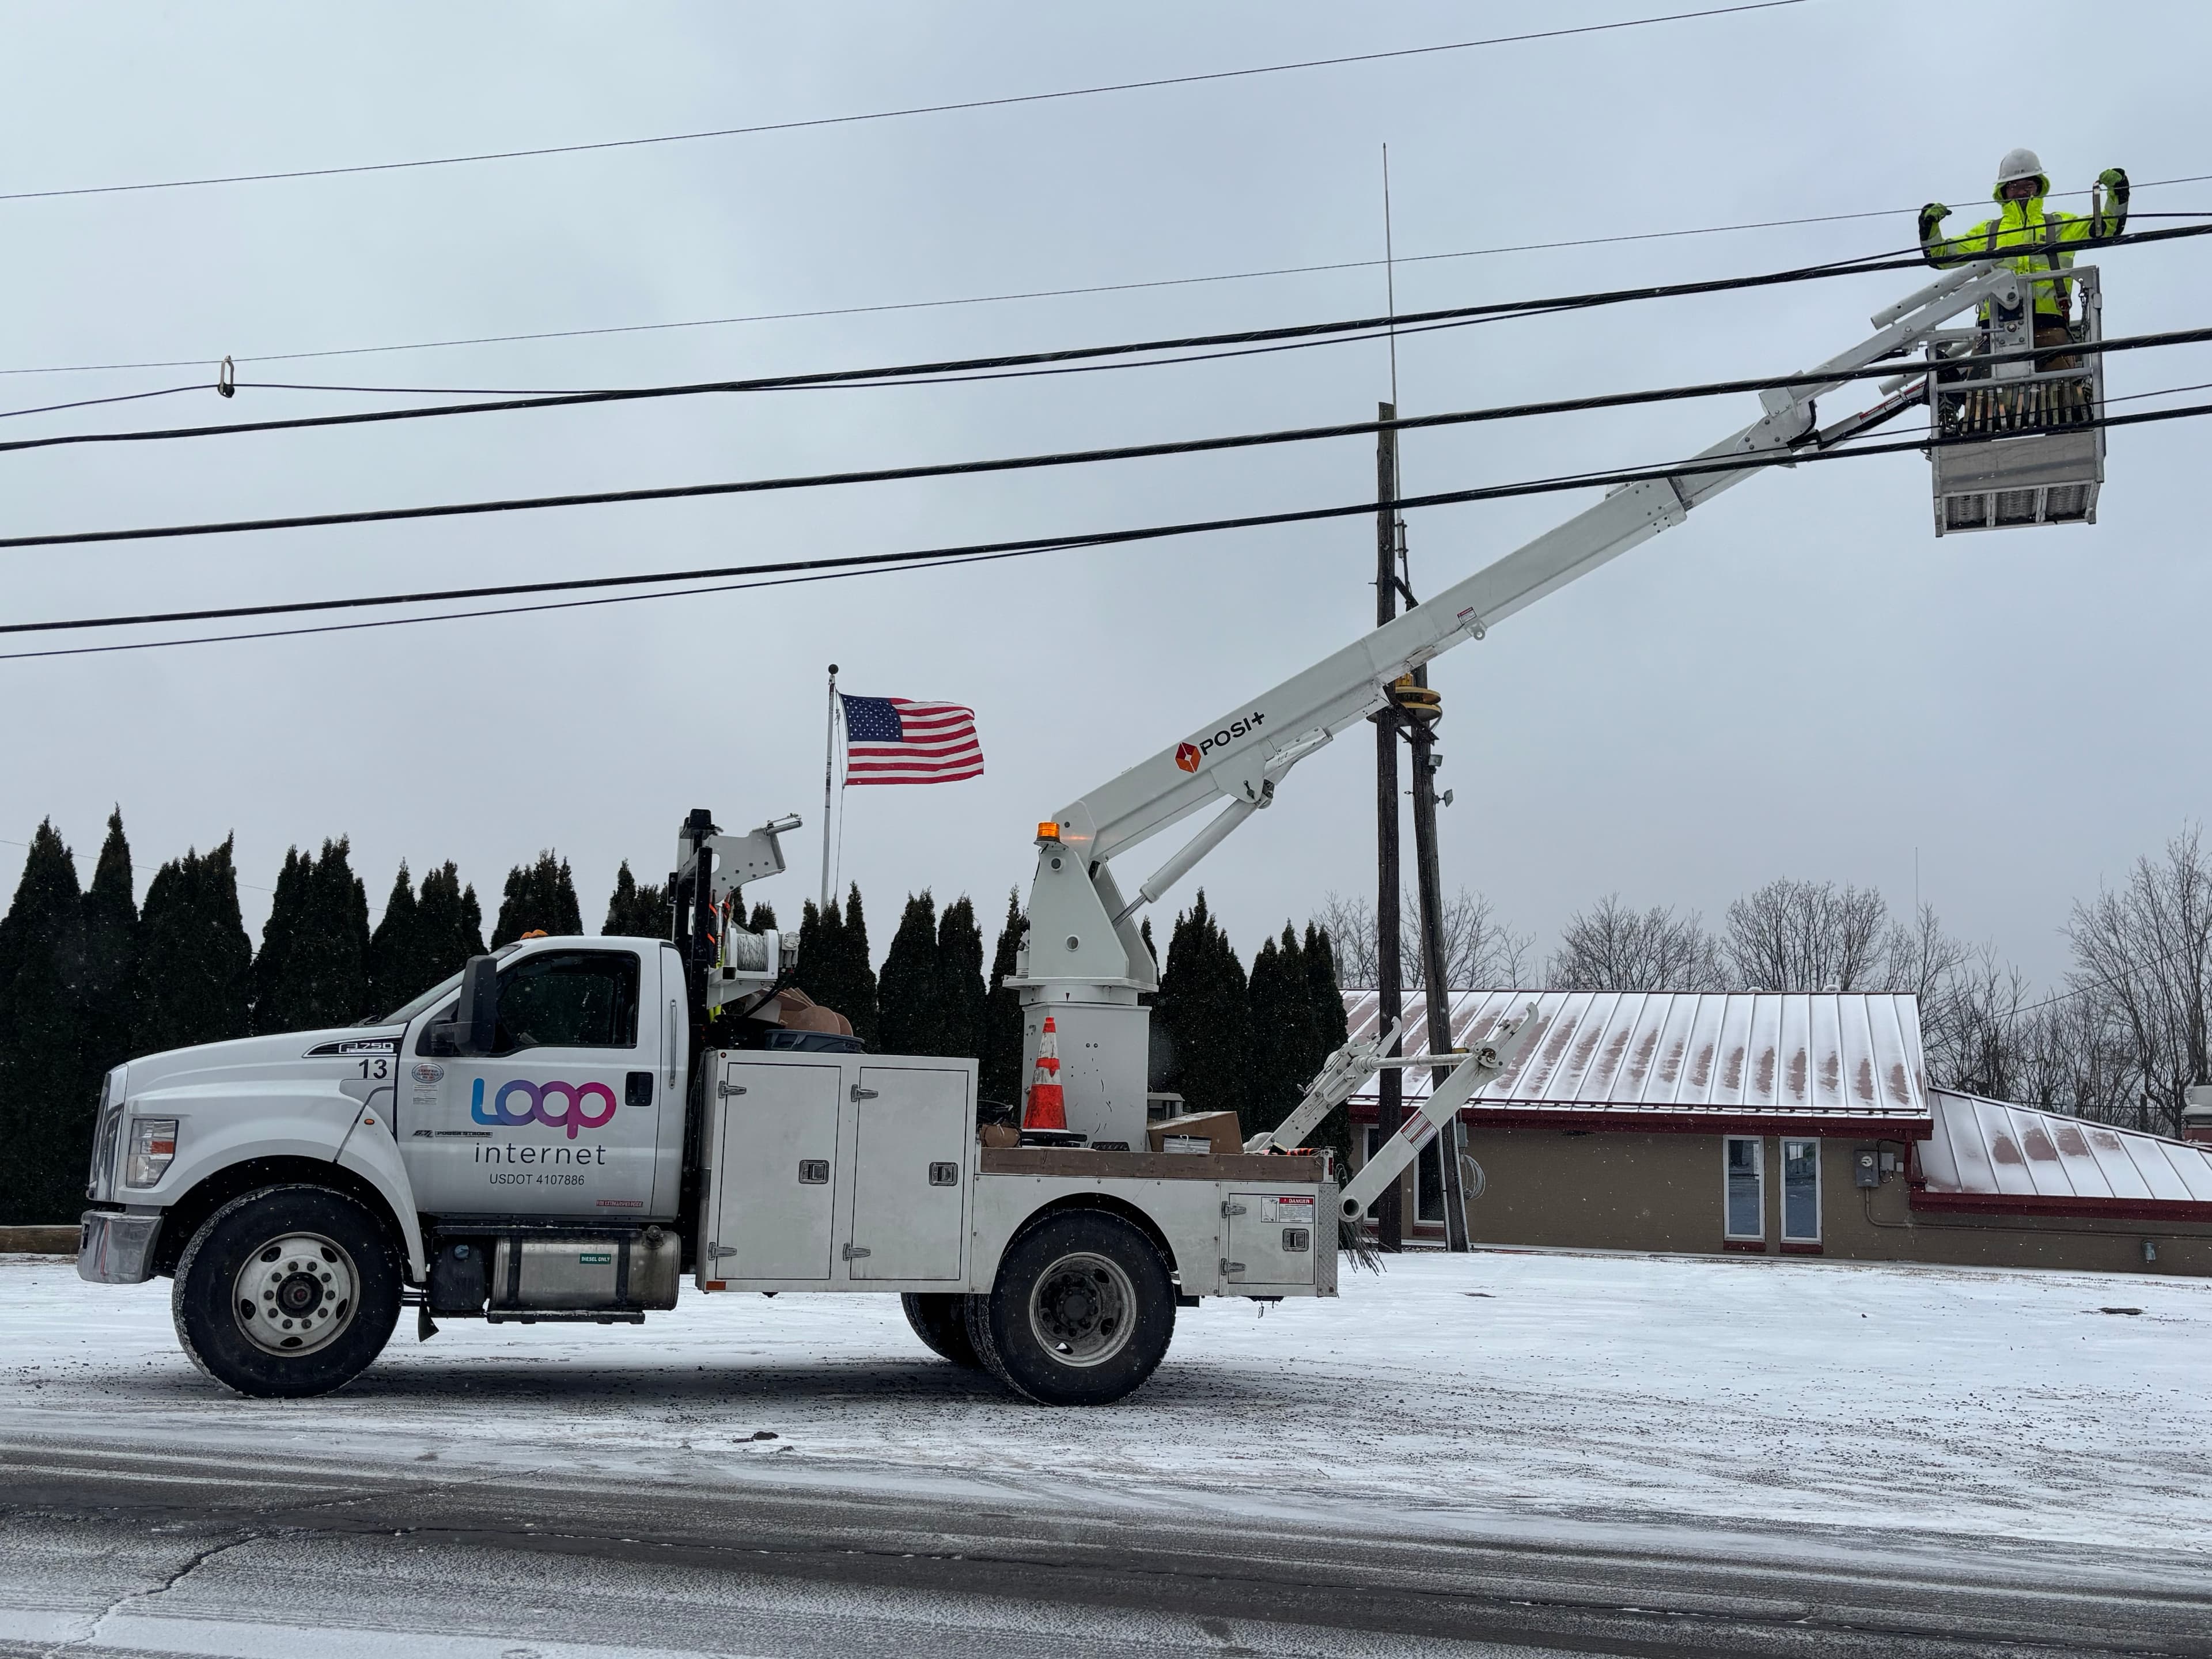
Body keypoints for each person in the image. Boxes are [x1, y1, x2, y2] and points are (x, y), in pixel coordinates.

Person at [1920, 151, 2126, 425]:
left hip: (2049, 325)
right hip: (1994, 330)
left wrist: (2117, 195)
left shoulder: (2058, 225)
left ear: (2039, 187)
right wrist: (1930, 227)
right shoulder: (1988, 232)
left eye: (2028, 184)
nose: (2021, 191)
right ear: (2003, 191)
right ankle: (1976, 425)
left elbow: (2105, 228)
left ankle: (2069, 423)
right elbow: (1941, 256)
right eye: (2014, 186)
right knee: (1978, 396)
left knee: (2066, 395)